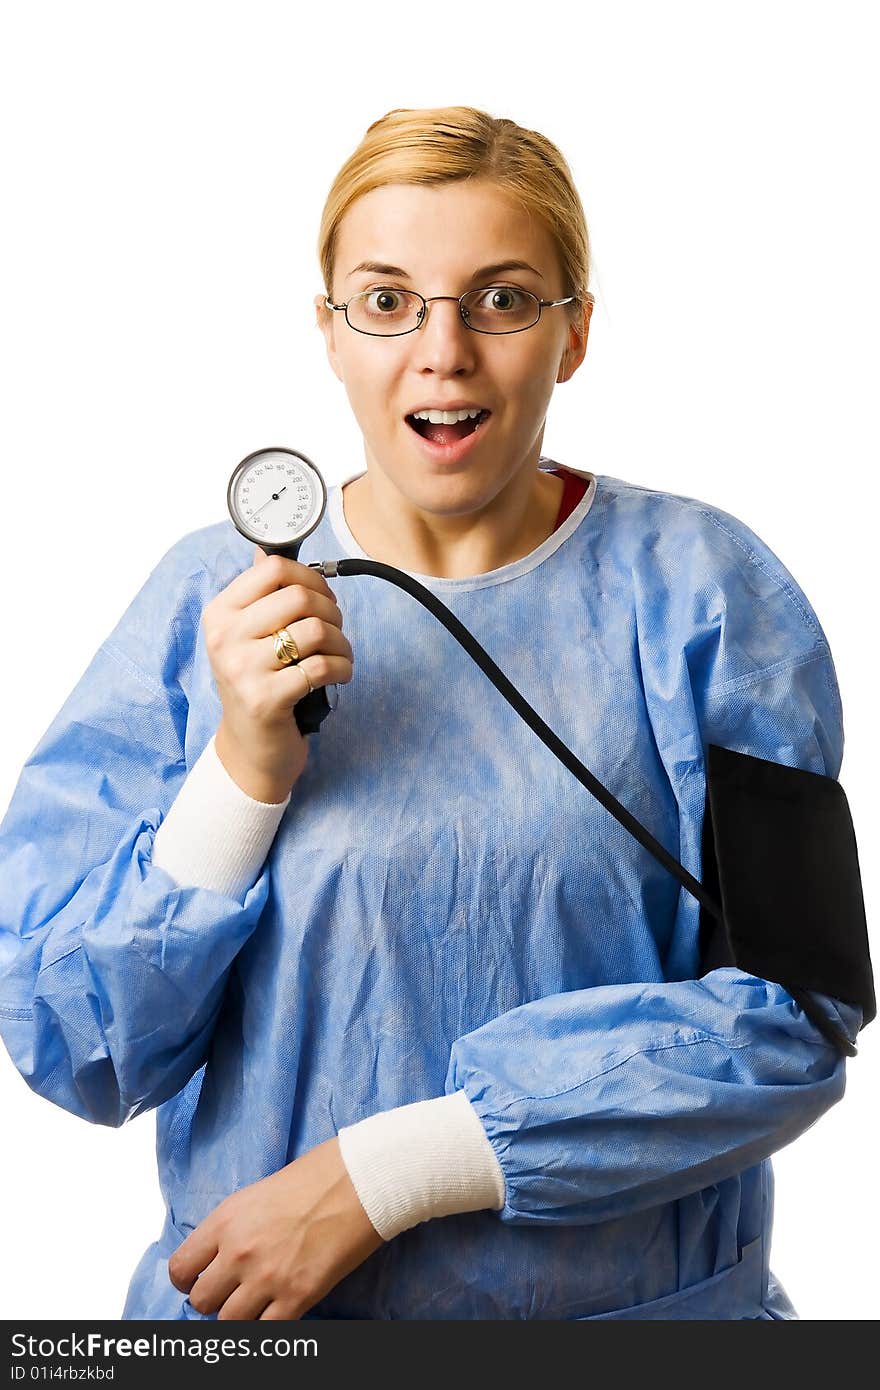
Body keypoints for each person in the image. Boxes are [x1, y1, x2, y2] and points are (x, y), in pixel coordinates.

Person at [0, 105, 865, 1321]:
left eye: (503, 299)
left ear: (572, 337)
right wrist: (240, 774)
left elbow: (799, 1012)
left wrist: (383, 1175)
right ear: (332, 334)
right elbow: (74, 1045)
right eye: (388, 301)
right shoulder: (211, 600)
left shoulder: (708, 597)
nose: (442, 351)